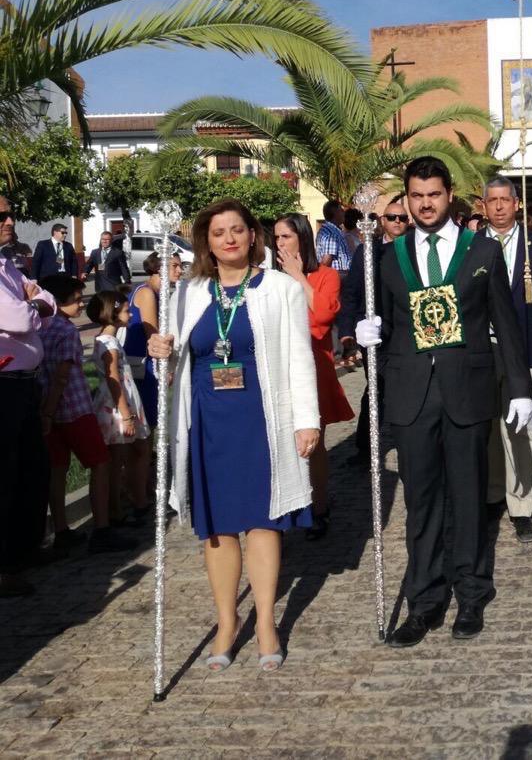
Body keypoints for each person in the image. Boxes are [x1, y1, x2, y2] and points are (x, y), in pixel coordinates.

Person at [354, 158, 532, 646]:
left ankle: (472, 592)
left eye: (433, 194)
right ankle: (425, 599)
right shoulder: (388, 257)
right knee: (421, 501)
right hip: (412, 393)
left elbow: (505, 321)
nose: (425, 204)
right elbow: (380, 320)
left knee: (470, 497)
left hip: (467, 389)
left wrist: (520, 387)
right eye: (416, 196)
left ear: (449, 195)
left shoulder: (482, 250)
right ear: (407, 199)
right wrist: (365, 333)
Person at [148, 199, 319, 672]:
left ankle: (265, 622)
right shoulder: (186, 293)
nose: (229, 239)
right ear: (206, 242)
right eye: (219, 232)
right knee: (218, 526)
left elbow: (299, 357)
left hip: (261, 419)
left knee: (264, 520)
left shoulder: (281, 289)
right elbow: (171, 365)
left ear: (252, 235)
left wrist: (307, 419)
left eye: (237, 230)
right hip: (208, 421)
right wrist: (159, 350)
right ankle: (227, 621)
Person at [480, 176, 532, 543]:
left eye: (505, 200)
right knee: (488, 427)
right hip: (483, 351)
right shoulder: (470, 246)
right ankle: (492, 494)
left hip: (526, 349)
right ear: (484, 206)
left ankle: (520, 503)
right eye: (493, 200)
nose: (499, 206)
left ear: (517, 204)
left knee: (519, 429)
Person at [37, 275, 137, 555]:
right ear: (58, 301)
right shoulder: (66, 330)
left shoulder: (39, 326)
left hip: (47, 407)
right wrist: (50, 411)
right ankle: (102, 528)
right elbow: (62, 375)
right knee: (100, 463)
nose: (81, 304)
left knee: (57, 470)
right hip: (74, 407)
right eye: (77, 299)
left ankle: (61, 529)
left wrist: (46, 412)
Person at [274, 213, 354, 541]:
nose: (280, 243)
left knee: (313, 443)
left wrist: (298, 276)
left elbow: (322, 317)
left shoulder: (326, 275)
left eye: (286, 237)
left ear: (302, 238)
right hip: (278, 367)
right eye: (276, 237)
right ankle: (284, 508)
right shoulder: (269, 278)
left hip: (313, 366)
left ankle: (318, 507)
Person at [0, 200, 56, 597]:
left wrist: (34, 303)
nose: (10, 220)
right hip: (3, 384)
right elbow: (21, 318)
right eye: (0, 216)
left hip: (25, 382)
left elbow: (47, 304)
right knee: (5, 474)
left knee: (31, 469)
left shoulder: (8, 266)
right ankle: (4, 564)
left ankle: (24, 549)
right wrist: (34, 304)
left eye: (10, 213)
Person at [337, 193, 408, 467]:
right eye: (392, 217)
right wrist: (347, 330)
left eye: (402, 218)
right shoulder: (367, 252)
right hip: (374, 335)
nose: (397, 222)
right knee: (376, 389)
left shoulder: (416, 250)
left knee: (406, 390)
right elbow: (352, 292)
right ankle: (366, 447)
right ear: (382, 221)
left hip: (407, 334)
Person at [87, 290, 152, 525]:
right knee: (118, 459)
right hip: (116, 405)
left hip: (117, 401)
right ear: (112, 313)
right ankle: (117, 510)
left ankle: (125, 504)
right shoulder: (109, 343)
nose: (131, 314)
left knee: (122, 456)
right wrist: (126, 415)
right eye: (126, 310)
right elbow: (113, 377)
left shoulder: (107, 340)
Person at [125, 251, 183, 439]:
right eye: (174, 266)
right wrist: (166, 367)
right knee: (147, 417)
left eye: (180, 266)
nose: (180, 270)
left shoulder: (158, 292)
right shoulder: (147, 292)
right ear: (159, 268)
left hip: (147, 361)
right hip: (144, 363)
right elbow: (153, 335)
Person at [316, 200, 352, 274]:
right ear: (335, 212)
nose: (344, 213)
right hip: (337, 276)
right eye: (341, 210)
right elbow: (326, 261)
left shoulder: (331, 230)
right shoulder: (331, 233)